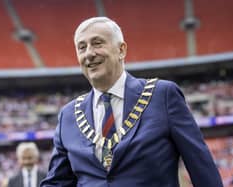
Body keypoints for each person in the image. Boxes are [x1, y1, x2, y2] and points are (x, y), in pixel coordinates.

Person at [40, 17, 223, 187]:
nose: (89, 53)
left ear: (121, 50)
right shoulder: (68, 115)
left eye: (97, 43)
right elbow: (57, 182)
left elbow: (201, 167)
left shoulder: (162, 95)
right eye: (82, 47)